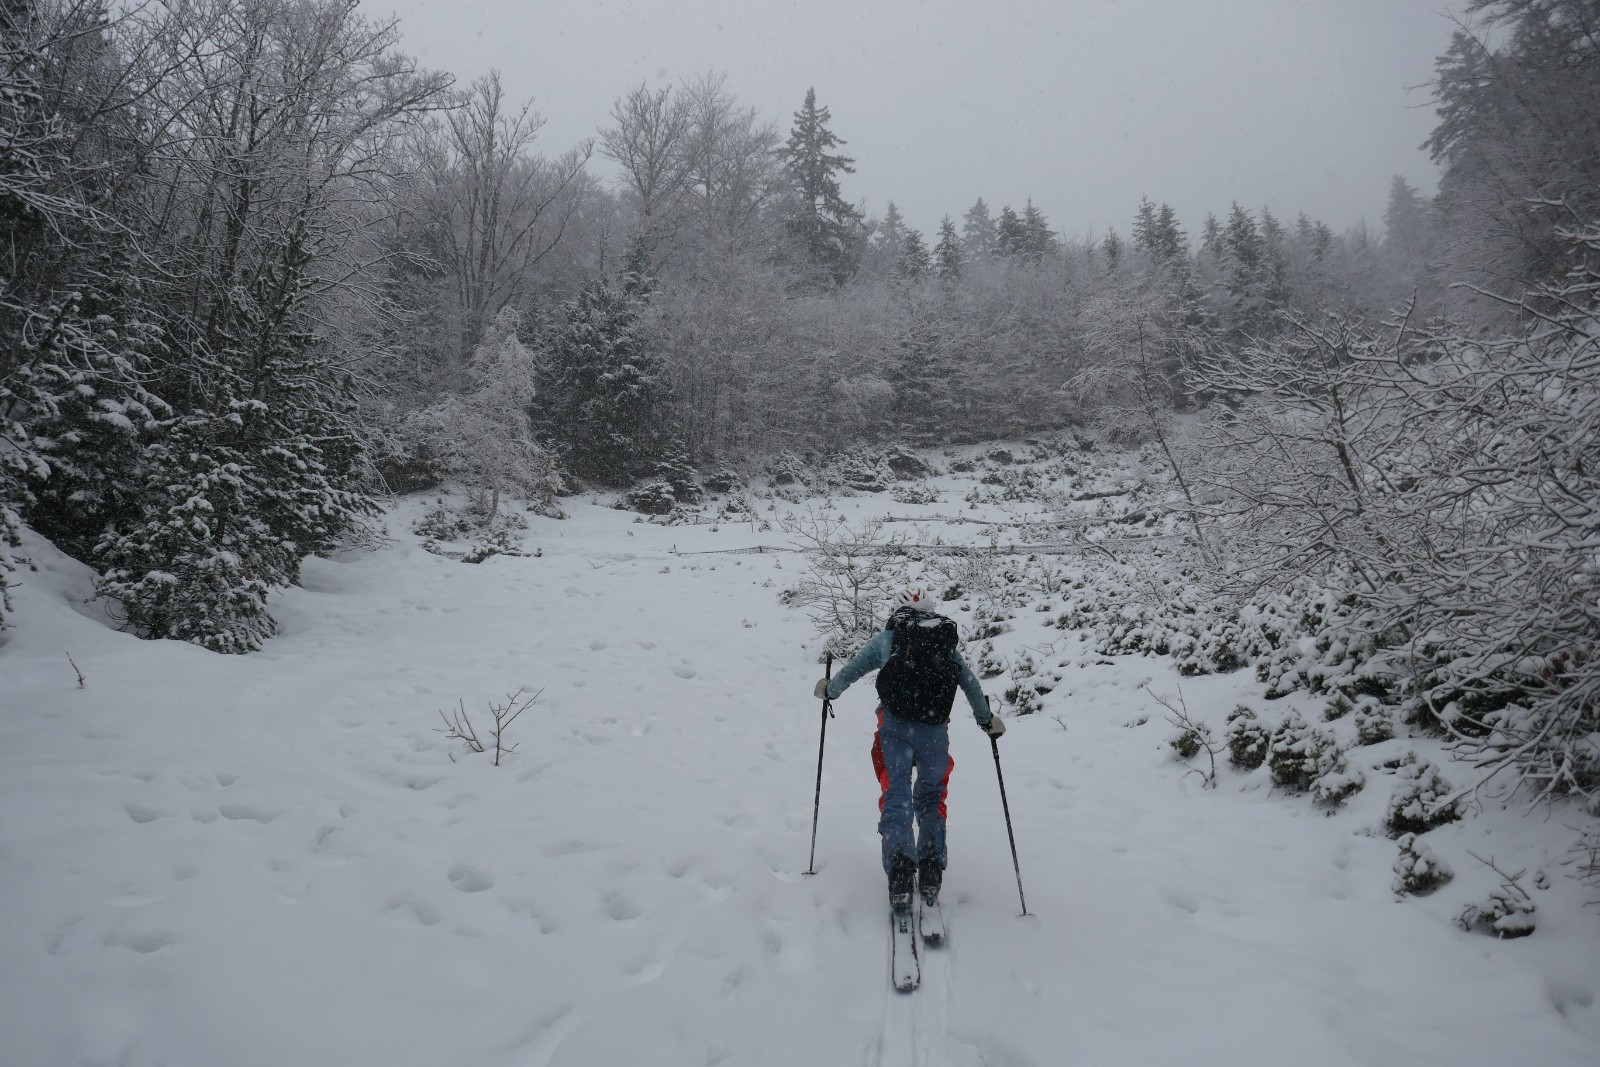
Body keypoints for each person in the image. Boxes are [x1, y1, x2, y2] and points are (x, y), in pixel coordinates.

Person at [814, 587, 1005, 913]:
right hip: (935, 734)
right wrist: (986, 720)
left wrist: (829, 690)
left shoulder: (888, 640)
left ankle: (901, 867)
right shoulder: (945, 642)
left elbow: (852, 670)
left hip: (894, 731)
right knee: (932, 797)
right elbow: (971, 684)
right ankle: (930, 863)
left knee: (896, 794)